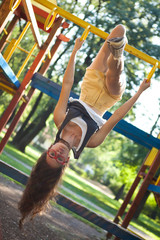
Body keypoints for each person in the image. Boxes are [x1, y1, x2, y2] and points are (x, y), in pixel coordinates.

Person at [18, 24, 150, 227]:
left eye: (51, 154)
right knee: (113, 76)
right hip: (110, 95)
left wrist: (74, 52)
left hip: (90, 82)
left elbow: (67, 85)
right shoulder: (91, 141)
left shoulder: (60, 119)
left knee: (119, 30)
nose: (58, 153)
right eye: (59, 158)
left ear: (48, 150)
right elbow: (115, 117)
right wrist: (139, 92)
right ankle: (117, 54)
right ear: (65, 163)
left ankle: (117, 50)